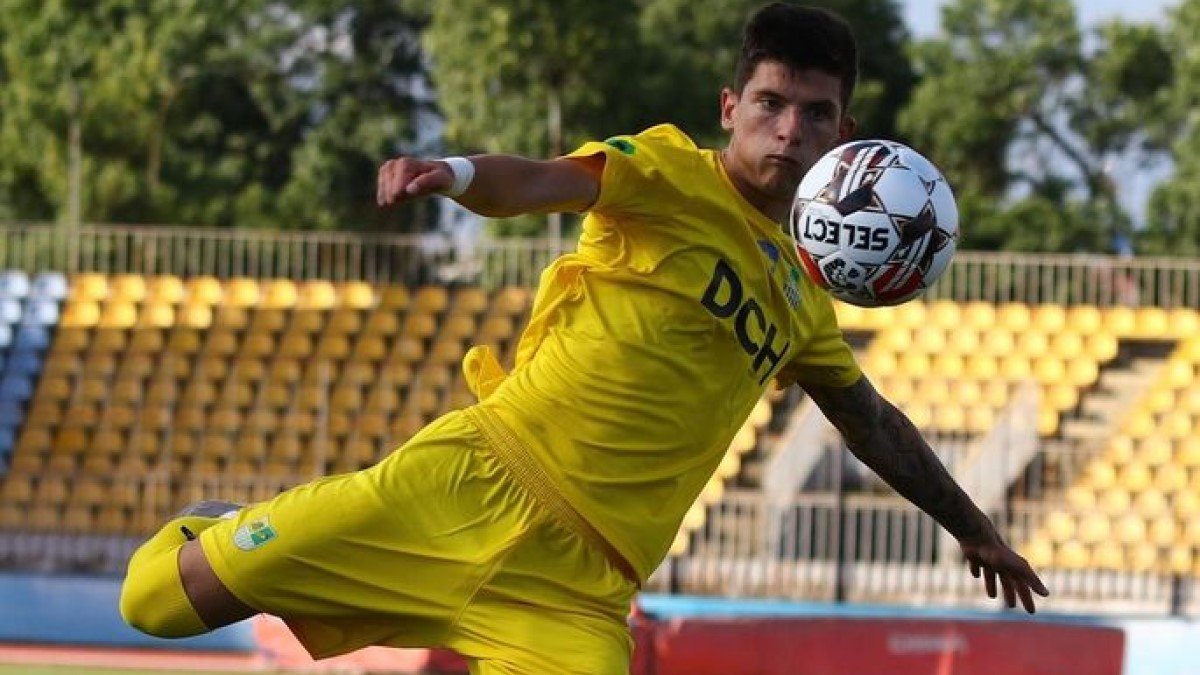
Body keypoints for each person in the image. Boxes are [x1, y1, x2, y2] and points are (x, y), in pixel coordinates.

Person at [119, 4, 1049, 673]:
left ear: (844, 132)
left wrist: (977, 530)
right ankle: (223, 522)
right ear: (730, 106)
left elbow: (871, 422)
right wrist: (453, 174)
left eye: (814, 114)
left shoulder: (808, 300)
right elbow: (539, 181)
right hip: (468, 480)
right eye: (771, 103)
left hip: (578, 593)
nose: (788, 130)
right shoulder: (666, 173)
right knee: (153, 602)